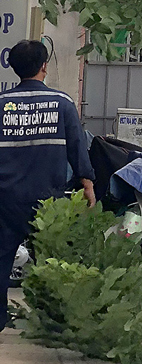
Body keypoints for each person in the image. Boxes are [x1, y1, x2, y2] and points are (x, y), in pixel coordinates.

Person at [1, 40, 96, 332]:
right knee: (52, 262)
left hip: (5, 199)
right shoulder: (62, 104)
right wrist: (87, 182)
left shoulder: (2, 105)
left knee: (1, 261)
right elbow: (77, 147)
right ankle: (54, 323)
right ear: (44, 66)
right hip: (47, 202)